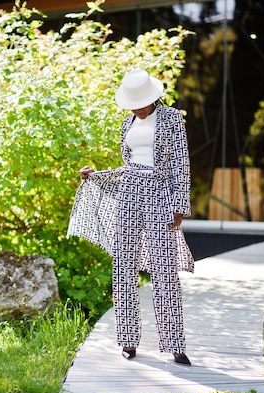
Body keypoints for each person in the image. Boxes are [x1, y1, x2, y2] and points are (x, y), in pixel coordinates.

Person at [67, 68, 194, 366]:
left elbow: (181, 163)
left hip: (161, 195)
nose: (136, 107)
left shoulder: (172, 119)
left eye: (141, 101)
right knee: (124, 269)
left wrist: (179, 205)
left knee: (164, 271)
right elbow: (129, 166)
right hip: (128, 195)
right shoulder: (127, 124)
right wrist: (95, 175)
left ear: (153, 97)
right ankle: (127, 340)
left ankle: (175, 344)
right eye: (132, 103)